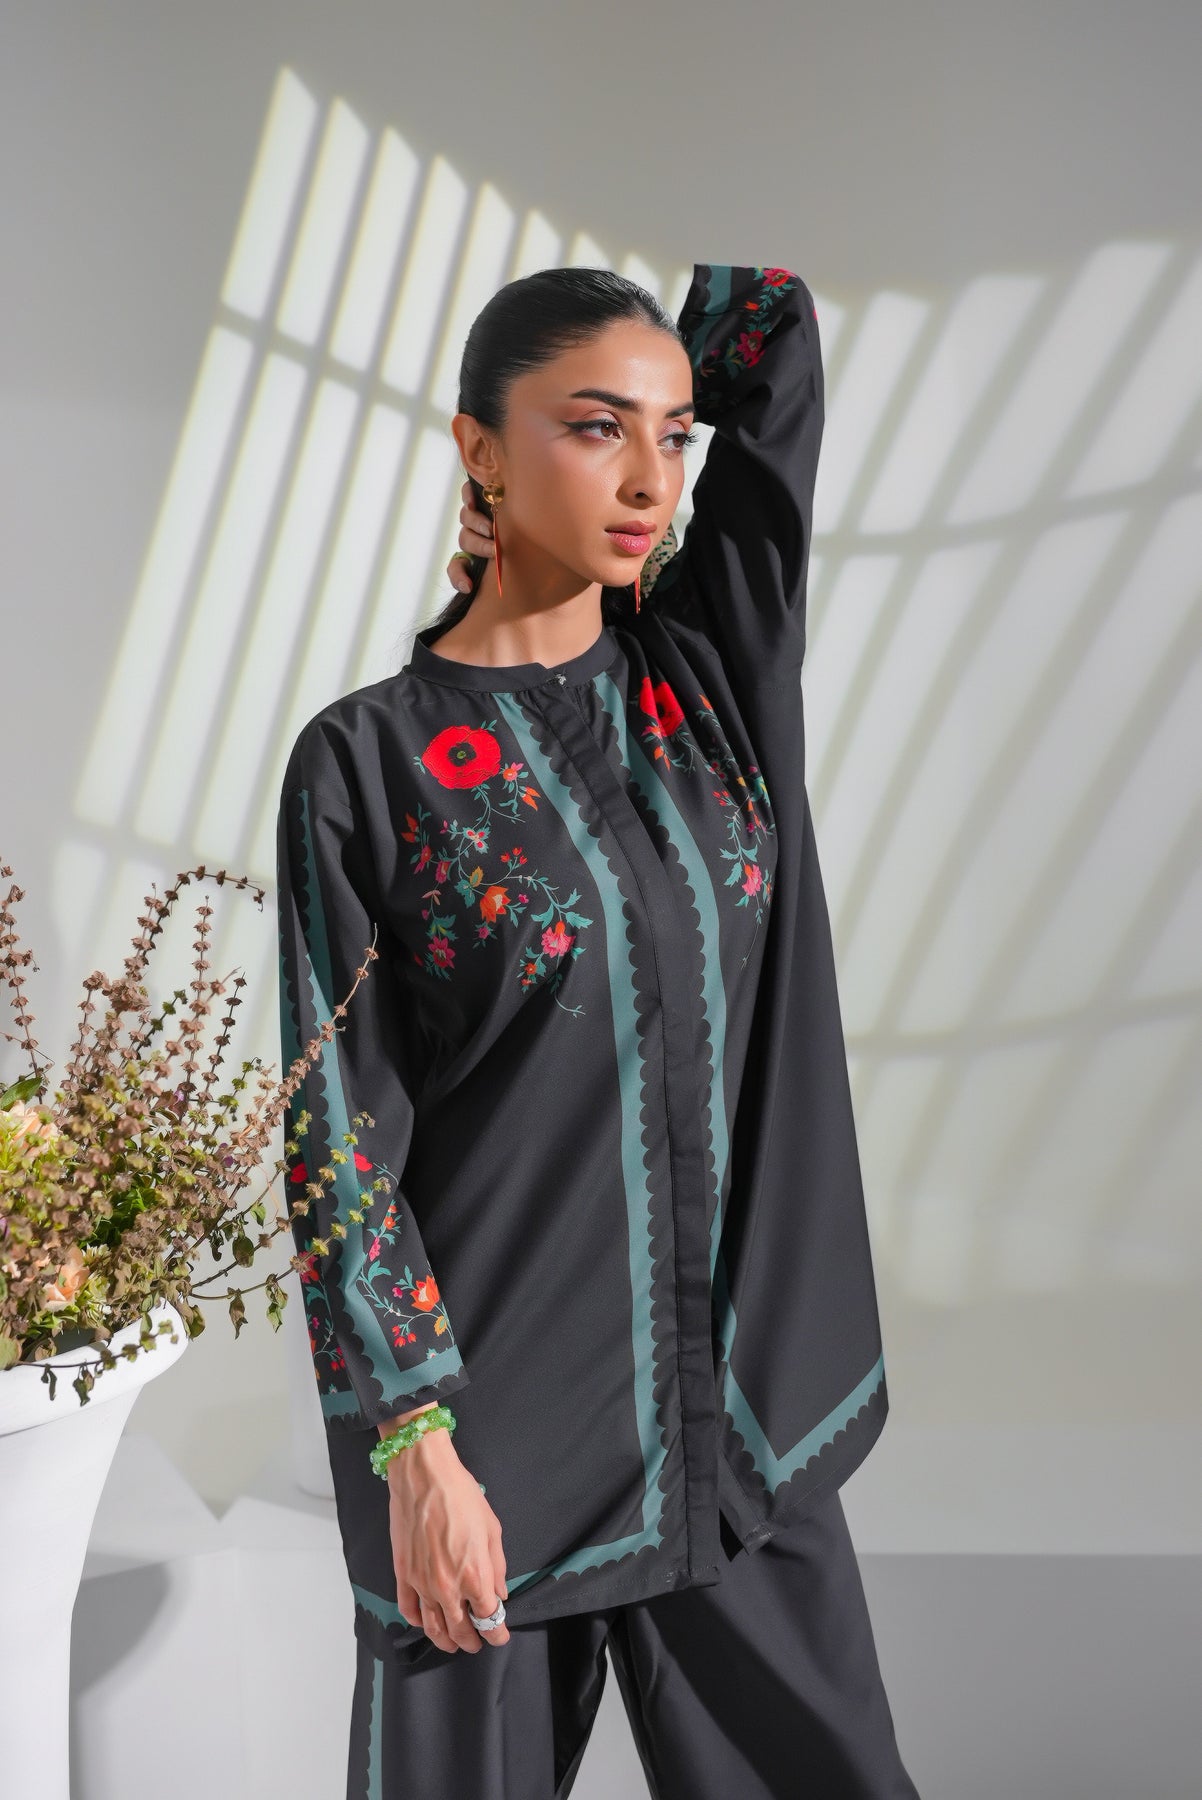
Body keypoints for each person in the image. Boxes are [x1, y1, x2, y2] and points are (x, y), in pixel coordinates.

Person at [276, 261, 921, 1797]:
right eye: (591, 427)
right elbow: (338, 1138)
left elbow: (774, 338)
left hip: (733, 1420)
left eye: (672, 436)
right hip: (489, 1443)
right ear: (478, 449)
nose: (647, 479)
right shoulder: (365, 766)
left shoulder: (709, 679)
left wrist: (671, 348)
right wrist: (414, 1450)